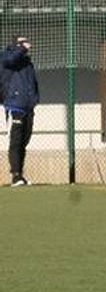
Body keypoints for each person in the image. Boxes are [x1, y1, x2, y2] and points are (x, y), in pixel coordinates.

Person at [2, 36, 38, 187]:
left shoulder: (27, 63)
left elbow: (32, 82)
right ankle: (15, 175)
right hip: (14, 105)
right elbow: (10, 60)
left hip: (28, 106)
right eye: (22, 42)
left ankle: (21, 175)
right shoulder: (7, 56)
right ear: (16, 44)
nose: (26, 44)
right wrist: (22, 48)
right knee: (16, 141)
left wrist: (34, 99)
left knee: (24, 140)